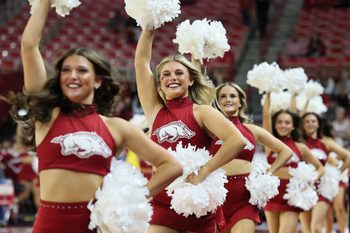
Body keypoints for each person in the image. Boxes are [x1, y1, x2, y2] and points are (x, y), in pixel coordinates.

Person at [4, 1, 183, 232]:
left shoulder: (116, 127)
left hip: (95, 226)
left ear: (98, 80)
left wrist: (134, 198)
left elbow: (172, 166)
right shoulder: (47, 116)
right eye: (66, 70)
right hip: (49, 225)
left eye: (81, 70)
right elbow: (29, 46)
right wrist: (45, 3)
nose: (72, 76)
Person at [134, 28, 246, 233]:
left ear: (191, 79)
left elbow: (237, 140)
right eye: (165, 74)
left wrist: (204, 171)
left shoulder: (201, 111)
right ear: (160, 82)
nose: (172, 78)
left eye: (179, 73)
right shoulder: (155, 111)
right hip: (161, 201)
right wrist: (148, 25)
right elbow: (141, 63)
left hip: (196, 200)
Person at [211, 82, 293, 233]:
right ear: (217, 102)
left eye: (232, 96)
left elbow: (286, 151)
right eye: (222, 96)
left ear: (240, 102)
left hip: (245, 197)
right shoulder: (210, 130)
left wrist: (267, 173)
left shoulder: (252, 130)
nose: (228, 99)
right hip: (216, 197)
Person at [262, 93, 324, 233]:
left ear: (293, 126)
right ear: (275, 125)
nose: (283, 125)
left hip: (291, 196)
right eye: (280, 122)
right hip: (272, 195)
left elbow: (320, 168)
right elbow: (266, 117)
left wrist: (309, 180)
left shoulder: (300, 147)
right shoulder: (271, 144)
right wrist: (267, 93)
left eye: (287, 122)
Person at [299, 112, 350, 233]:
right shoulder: (299, 143)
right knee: (307, 230)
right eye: (307, 121)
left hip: (322, 189)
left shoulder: (326, 142)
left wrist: (337, 173)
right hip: (303, 189)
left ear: (318, 124)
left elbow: (347, 156)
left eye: (313, 121)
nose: (310, 124)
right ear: (302, 125)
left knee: (316, 228)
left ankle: (343, 229)